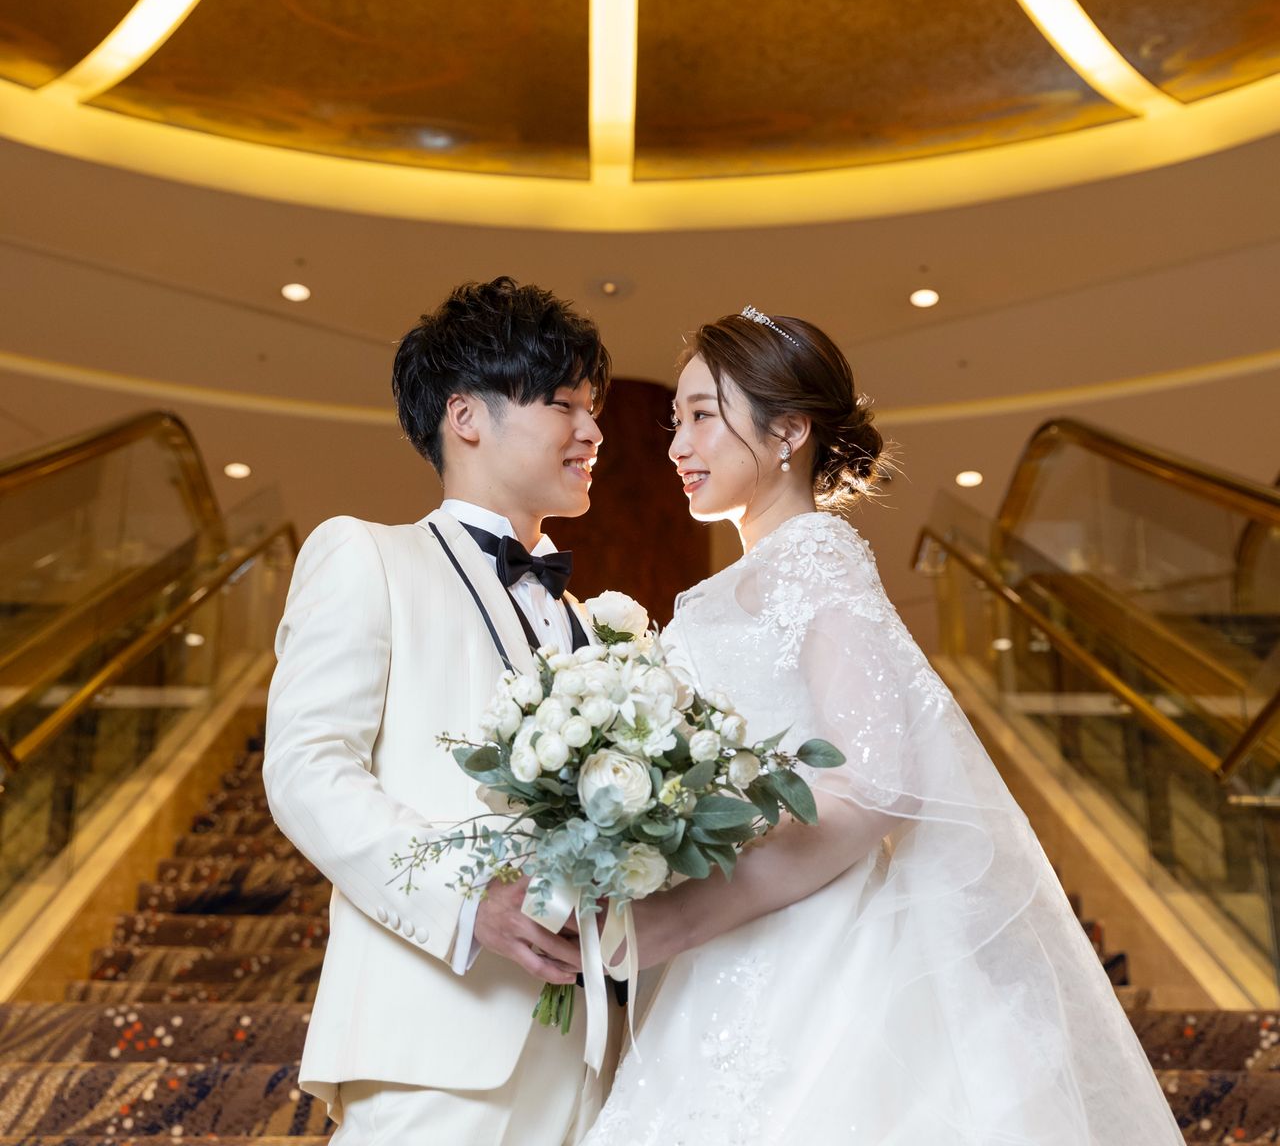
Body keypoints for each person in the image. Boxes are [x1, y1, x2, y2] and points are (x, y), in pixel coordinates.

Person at [582, 308, 1182, 1145]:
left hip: (805, 949)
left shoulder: (813, 556)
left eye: (703, 416)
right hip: (728, 948)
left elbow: (877, 782)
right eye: (674, 421)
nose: (679, 446)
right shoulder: (754, 574)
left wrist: (687, 917)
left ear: (788, 430)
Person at [263, 277, 612, 1145]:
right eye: (565, 404)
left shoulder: (594, 622)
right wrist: (468, 900)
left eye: (594, 410)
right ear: (465, 416)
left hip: (591, 1059)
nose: (593, 431)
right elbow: (307, 770)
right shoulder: (366, 556)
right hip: (431, 1047)